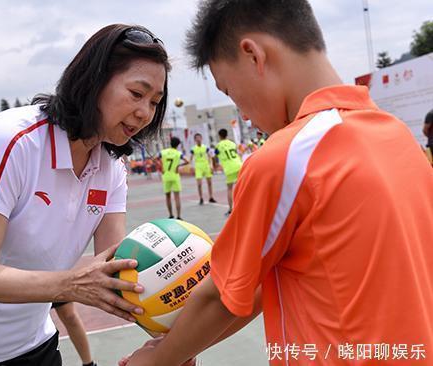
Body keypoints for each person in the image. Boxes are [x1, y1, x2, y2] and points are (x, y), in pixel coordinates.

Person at [122, 1, 433, 365]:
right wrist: (176, 350)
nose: (243, 112)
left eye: (229, 91)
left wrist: (157, 361)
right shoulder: (398, 138)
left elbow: (221, 296)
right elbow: (253, 289)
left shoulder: (286, 158)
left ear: (253, 55)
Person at [0, 23, 170, 366]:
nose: (145, 112)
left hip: (28, 343)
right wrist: (70, 283)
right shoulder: (14, 141)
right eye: (136, 93)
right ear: (94, 80)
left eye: (155, 102)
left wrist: (170, 344)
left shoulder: (112, 169)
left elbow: (117, 268)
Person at [158, 137, 189, 219]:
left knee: (168, 196)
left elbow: (155, 159)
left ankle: (171, 214)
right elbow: (187, 161)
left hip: (166, 176)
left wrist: (161, 166)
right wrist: (178, 166)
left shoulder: (163, 152)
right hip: (175, 175)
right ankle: (178, 215)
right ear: (178, 145)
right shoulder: (178, 153)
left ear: (170, 143)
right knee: (177, 197)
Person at [215, 129, 242, 215]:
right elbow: (238, 153)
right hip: (239, 164)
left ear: (219, 136)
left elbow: (214, 156)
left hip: (229, 168)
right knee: (241, 186)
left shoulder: (218, 146)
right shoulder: (232, 143)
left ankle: (231, 209)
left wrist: (215, 164)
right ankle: (243, 206)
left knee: (230, 189)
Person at [189, 133, 216, 205]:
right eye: (197, 138)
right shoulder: (193, 149)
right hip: (198, 167)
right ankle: (201, 198)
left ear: (201, 138)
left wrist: (211, 166)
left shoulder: (206, 147)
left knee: (209, 183)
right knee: (199, 184)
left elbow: (210, 156)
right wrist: (191, 167)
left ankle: (211, 197)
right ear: (195, 140)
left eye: (199, 138)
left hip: (206, 166)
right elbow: (191, 159)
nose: (198, 139)